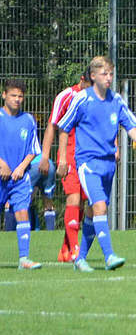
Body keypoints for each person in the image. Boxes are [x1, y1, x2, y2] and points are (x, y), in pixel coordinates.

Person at [56, 56, 136, 271]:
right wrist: (62, 158)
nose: (108, 78)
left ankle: (80, 259)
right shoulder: (81, 99)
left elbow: (130, 124)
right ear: (92, 76)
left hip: (108, 163)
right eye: (104, 74)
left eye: (110, 74)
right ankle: (109, 256)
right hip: (88, 163)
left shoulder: (116, 100)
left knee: (92, 211)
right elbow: (63, 127)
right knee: (100, 206)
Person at [39, 69, 91, 262]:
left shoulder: (96, 97)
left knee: (84, 204)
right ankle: (75, 249)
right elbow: (53, 126)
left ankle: (65, 250)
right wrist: (47, 156)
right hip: (69, 154)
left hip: (89, 156)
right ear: (82, 80)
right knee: (73, 199)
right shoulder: (67, 96)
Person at [0, 79, 42, 269]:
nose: (17, 100)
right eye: (13, 96)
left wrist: (20, 167)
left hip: (19, 178)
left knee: (22, 211)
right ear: (4, 95)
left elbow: (33, 149)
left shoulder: (28, 120)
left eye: (20, 97)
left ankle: (24, 259)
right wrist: (2, 164)